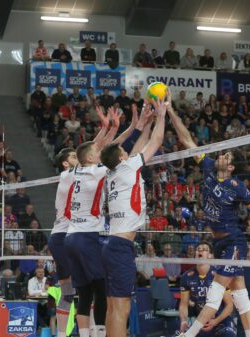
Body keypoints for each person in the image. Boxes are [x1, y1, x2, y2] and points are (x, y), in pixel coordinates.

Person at [168, 100, 250, 337]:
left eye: (226, 156)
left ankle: (189, 335)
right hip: (219, 243)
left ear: (230, 167)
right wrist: (170, 110)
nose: (221, 155)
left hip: (234, 242)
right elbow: (187, 140)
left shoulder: (237, 187)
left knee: (216, 291)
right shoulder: (209, 167)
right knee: (239, 292)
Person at [99, 97, 167, 337]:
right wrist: (161, 114)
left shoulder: (115, 171)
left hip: (112, 243)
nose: (126, 151)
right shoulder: (127, 168)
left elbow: (138, 148)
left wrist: (146, 123)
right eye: (122, 151)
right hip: (119, 246)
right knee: (121, 306)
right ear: (120, 158)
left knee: (113, 305)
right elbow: (156, 142)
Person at [64, 109, 121, 337]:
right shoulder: (97, 172)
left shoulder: (76, 169)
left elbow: (92, 148)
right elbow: (108, 151)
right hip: (87, 237)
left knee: (84, 292)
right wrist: (116, 130)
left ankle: (86, 335)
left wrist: (106, 128)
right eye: (96, 154)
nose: (100, 154)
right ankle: (99, 334)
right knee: (101, 288)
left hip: (71, 237)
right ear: (91, 159)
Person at [48, 148, 78, 337]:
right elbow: (93, 150)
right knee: (86, 285)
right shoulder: (67, 174)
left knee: (68, 294)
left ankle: (61, 335)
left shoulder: (79, 177)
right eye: (74, 156)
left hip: (70, 238)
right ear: (65, 163)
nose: (78, 158)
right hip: (62, 239)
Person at [179, 242, 236, 337]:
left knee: (228, 333)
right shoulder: (187, 276)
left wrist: (215, 321)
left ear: (210, 255)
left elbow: (230, 305)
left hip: (221, 320)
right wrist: (183, 320)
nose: (200, 250)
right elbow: (183, 304)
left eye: (204, 249)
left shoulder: (219, 274)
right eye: (198, 249)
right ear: (195, 255)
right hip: (201, 322)